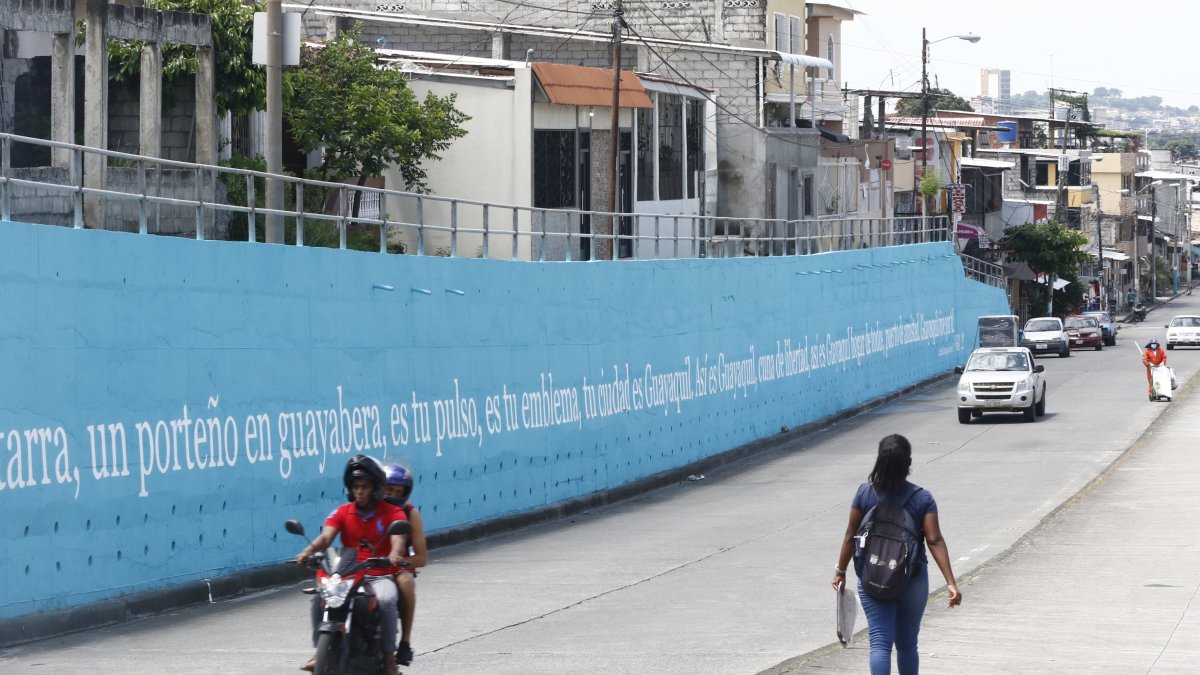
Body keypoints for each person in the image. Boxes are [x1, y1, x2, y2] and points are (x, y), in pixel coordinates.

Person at [832, 434, 962, 675]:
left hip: (872, 575)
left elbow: (851, 534)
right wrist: (950, 583)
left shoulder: (864, 493)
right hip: (911, 580)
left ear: (879, 461)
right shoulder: (922, 498)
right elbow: (934, 540)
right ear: (908, 463)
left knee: (880, 642)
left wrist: (841, 571)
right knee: (907, 644)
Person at [295, 455, 407, 675]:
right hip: (348, 574)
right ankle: (321, 651)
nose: (360, 491)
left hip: (379, 574)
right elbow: (326, 538)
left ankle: (388, 659)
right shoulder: (342, 512)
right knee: (319, 597)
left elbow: (398, 541)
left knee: (386, 600)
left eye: (364, 486)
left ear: (375, 488)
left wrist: (393, 555)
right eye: (356, 487)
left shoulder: (393, 513)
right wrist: (307, 551)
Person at [383, 462, 428, 667]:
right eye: (388, 489)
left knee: (407, 583)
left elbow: (421, 558)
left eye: (397, 491)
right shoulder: (368, 507)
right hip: (365, 567)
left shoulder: (411, 514)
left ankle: (405, 642)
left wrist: (399, 560)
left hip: (395, 566)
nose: (392, 495)